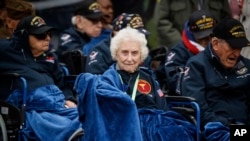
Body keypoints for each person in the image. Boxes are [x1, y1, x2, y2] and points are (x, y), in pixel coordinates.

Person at [75, 27, 196, 141]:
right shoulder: (108, 79)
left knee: (182, 131)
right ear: (116, 54)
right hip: (130, 125)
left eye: (134, 53)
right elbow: (112, 119)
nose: (129, 58)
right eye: (124, 53)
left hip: (156, 122)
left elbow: (162, 108)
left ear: (141, 56)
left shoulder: (148, 76)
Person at [0, 15, 82, 140]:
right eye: (40, 35)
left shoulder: (50, 57)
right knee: (66, 126)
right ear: (24, 36)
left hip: (57, 104)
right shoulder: (7, 50)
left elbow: (61, 83)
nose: (48, 38)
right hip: (31, 109)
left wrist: (69, 99)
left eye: (49, 34)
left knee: (88, 117)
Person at [181, 17, 250, 141]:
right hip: (215, 129)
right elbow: (198, 109)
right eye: (233, 47)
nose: (237, 53)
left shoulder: (247, 65)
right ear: (216, 43)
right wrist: (232, 126)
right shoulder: (196, 65)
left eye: (240, 47)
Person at [164, 10, 217, 95]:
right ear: (191, 33)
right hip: (192, 97)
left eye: (210, 36)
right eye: (202, 37)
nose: (207, 40)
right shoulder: (177, 52)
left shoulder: (222, 47)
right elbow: (175, 82)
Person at [85, 13, 150, 74]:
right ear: (116, 32)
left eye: (139, 34)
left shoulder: (141, 50)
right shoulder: (100, 52)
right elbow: (95, 80)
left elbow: (149, 76)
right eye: (130, 33)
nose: (135, 37)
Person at [154, 0, 231, 49]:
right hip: (179, 52)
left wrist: (216, 43)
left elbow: (225, 20)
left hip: (212, 50)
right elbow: (161, 21)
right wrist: (184, 44)